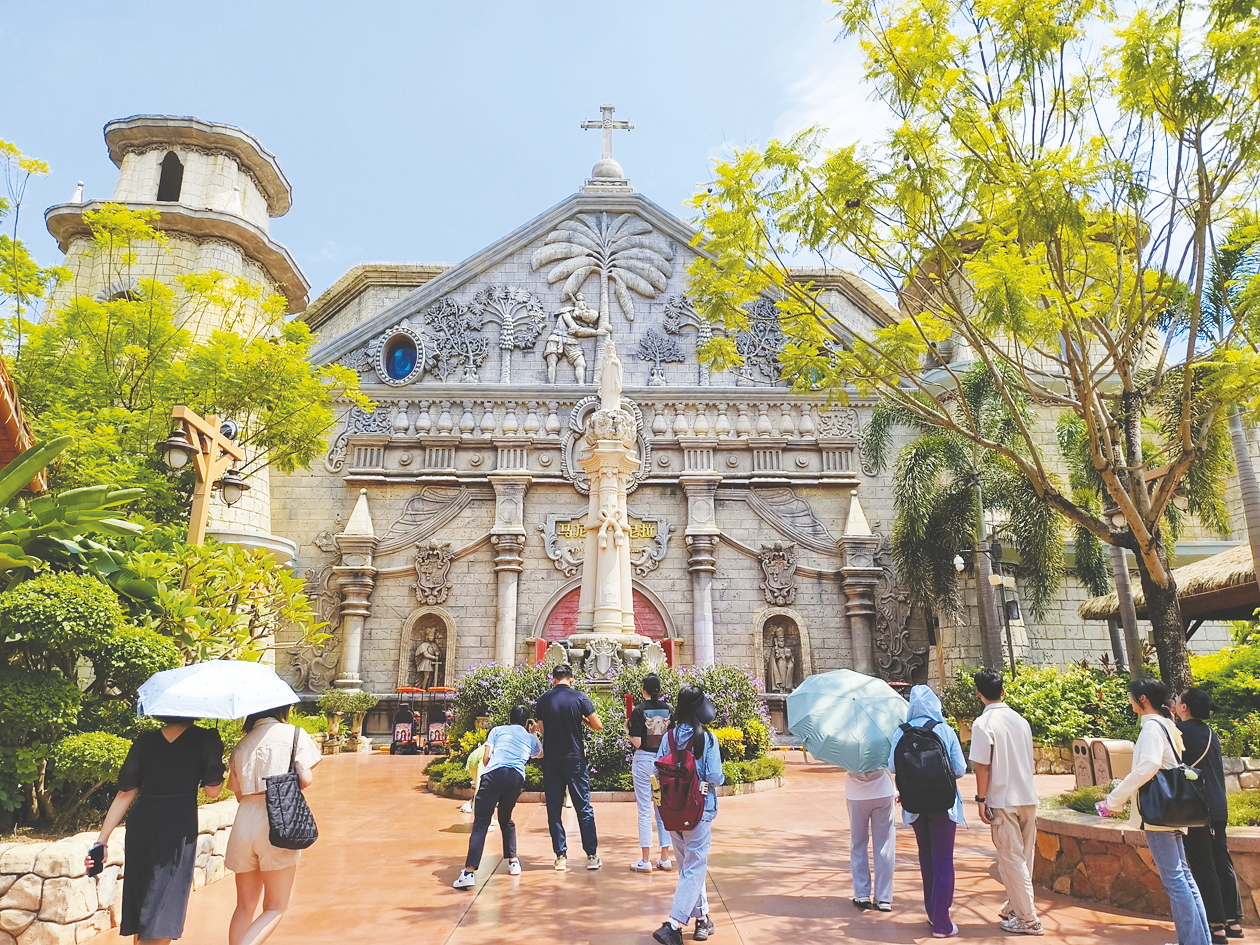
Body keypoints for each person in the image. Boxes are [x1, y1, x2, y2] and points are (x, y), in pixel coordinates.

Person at [88, 717, 224, 945]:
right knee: (163, 908)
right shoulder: (206, 739)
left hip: (143, 825)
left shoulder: (145, 740)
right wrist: (217, 765)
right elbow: (213, 791)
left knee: (146, 905)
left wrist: (102, 841)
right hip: (177, 827)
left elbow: (125, 792)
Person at [1100, 678, 1211, 945]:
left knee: (1176, 879)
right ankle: (1199, 940)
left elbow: (1147, 766)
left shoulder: (1151, 728)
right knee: (1183, 876)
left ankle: (1193, 942)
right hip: (1173, 809)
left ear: (1143, 700)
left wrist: (1115, 799)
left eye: (1131, 697)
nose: (1130, 701)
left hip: (1158, 812)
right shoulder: (1167, 725)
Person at [225, 705, 321, 945]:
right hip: (277, 818)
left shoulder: (242, 744)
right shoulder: (294, 734)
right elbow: (305, 779)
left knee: (244, 906)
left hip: (244, 819)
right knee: (275, 907)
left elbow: (236, 792)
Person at [888, 684, 968, 939]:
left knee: (926, 856)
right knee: (943, 858)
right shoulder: (944, 730)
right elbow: (960, 768)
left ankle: (933, 912)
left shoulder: (901, 733)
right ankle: (942, 923)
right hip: (944, 804)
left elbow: (892, 766)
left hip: (915, 805)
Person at [969, 668, 1042, 935]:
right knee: (1024, 857)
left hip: (1002, 800)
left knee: (1011, 859)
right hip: (1027, 797)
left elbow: (983, 767)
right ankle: (1016, 906)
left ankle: (1028, 918)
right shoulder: (1020, 720)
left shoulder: (982, 724)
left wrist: (980, 799)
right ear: (1003, 691)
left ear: (979, 694)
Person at [651, 685, 725, 945]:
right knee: (694, 868)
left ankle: (703, 919)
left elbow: (656, 768)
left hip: (672, 812)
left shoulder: (668, 737)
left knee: (690, 868)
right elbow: (715, 776)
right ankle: (673, 925)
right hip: (699, 811)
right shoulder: (707, 738)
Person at [1174, 687, 1245, 944]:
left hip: (1197, 810)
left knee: (1204, 866)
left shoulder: (1182, 732)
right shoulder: (1209, 733)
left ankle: (1216, 927)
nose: (1175, 701)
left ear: (1184, 707)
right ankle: (1233, 921)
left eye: (1178, 699)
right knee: (1222, 861)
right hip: (1218, 807)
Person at [453, 705, 543, 889]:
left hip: (493, 776)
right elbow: (540, 753)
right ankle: (513, 862)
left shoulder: (497, 730)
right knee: (505, 818)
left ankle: (469, 872)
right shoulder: (528, 736)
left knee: (481, 823)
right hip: (516, 778)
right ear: (527, 722)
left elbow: (486, 759)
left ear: (509, 719)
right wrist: (533, 733)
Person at [535, 663, 603, 871]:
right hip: (574, 758)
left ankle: (560, 856)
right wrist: (581, 719)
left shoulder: (544, 699)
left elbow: (542, 729)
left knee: (554, 808)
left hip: (552, 759)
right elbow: (598, 725)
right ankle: (591, 855)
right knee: (583, 806)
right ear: (571, 679)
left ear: (553, 679)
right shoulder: (580, 697)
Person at [627, 673, 674, 872]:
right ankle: (665, 857)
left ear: (643, 689)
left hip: (644, 759)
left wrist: (627, 730)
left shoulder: (638, 711)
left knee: (645, 809)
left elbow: (637, 742)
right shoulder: (669, 710)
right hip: (663, 761)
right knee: (662, 808)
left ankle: (645, 859)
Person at [846, 768, 896, 912]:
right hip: (883, 792)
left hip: (856, 793)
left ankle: (862, 893)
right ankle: (884, 897)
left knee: (858, 843)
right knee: (885, 845)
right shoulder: (883, 744)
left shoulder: (848, 744)